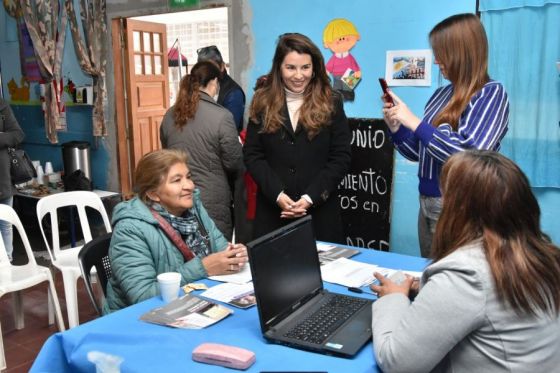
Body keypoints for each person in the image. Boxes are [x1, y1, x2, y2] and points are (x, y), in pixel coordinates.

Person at [370, 150, 560, 372]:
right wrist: (430, 291)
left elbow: (396, 363)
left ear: (459, 211)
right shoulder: (544, 257)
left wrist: (394, 297)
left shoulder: (466, 276)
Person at [381, 13, 509, 257]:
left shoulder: (491, 93)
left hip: (461, 206)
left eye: (442, 54)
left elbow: (469, 156)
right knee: (431, 276)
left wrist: (415, 122)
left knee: (457, 283)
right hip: (427, 203)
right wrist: (397, 128)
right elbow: (421, 152)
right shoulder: (440, 95)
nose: (437, 61)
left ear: (463, 52)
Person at [105, 149, 247, 313]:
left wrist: (234, 255)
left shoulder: (193, 207)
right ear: (153, 194)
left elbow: (220, 247)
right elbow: (142, 296)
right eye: (176, 180)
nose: (189, 186)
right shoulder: (130, 230)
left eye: (188, 177)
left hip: (189, 303)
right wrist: (203, 268)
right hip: (138, 319)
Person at [244, 33, 351, 244]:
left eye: (305, 67)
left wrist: (309, 198)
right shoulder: (262, 102)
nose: (298, 75)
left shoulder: (332, 102)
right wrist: (277, 195)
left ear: (314, 68)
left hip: (319, 216)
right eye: (290, 67)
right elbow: (252, 155)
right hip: (273, 215)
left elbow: (341, 157)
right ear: (279, 68)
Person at [160, 60, 243, 241]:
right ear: (214, 82)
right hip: (212, 199)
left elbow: (166, 154)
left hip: (176, 195)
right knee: (216, 254)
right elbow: (234, 162)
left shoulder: (169, 115)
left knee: (183, 252)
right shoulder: (222, 116)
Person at [197, 45, 246, 132]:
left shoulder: (233, 93)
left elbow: (229, 129)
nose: (208, 72)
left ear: (222, 66)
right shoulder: (198, 88)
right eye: (204, 68)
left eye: (212, 67)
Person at [0, 98, 25, 262]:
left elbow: (18, 134)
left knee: (5, 223)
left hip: (2, 176)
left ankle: (7, 261)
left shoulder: (1, 106)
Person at [323, 18, 361, 101]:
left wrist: (357, 72)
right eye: (338, 41)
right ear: (327, 44)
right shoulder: (334, 58)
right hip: (337, 75)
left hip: (349, 75)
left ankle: (347, 96)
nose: (343, 42)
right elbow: (328, 67)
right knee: (337, 88)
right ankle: (337, 99)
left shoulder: (350, 57)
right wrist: (325, 75)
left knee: (347, 89)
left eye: (347, 39)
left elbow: (355, 66)